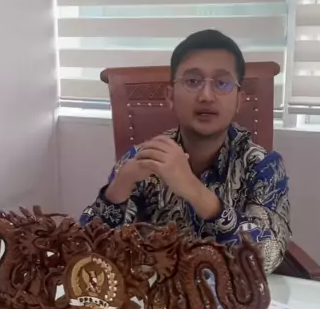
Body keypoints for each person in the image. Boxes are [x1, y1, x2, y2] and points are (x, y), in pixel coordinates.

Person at [80, 30, 290, 274]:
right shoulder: (145, 159)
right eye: (192, 81)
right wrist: (120, 185)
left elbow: (268, 257)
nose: (206, 96)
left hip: (232, 296)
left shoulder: (263, 166)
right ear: (170, 96)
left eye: (222, 83)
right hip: (154, 291)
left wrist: (192, 189)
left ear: (238, 101)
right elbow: (88, 252)